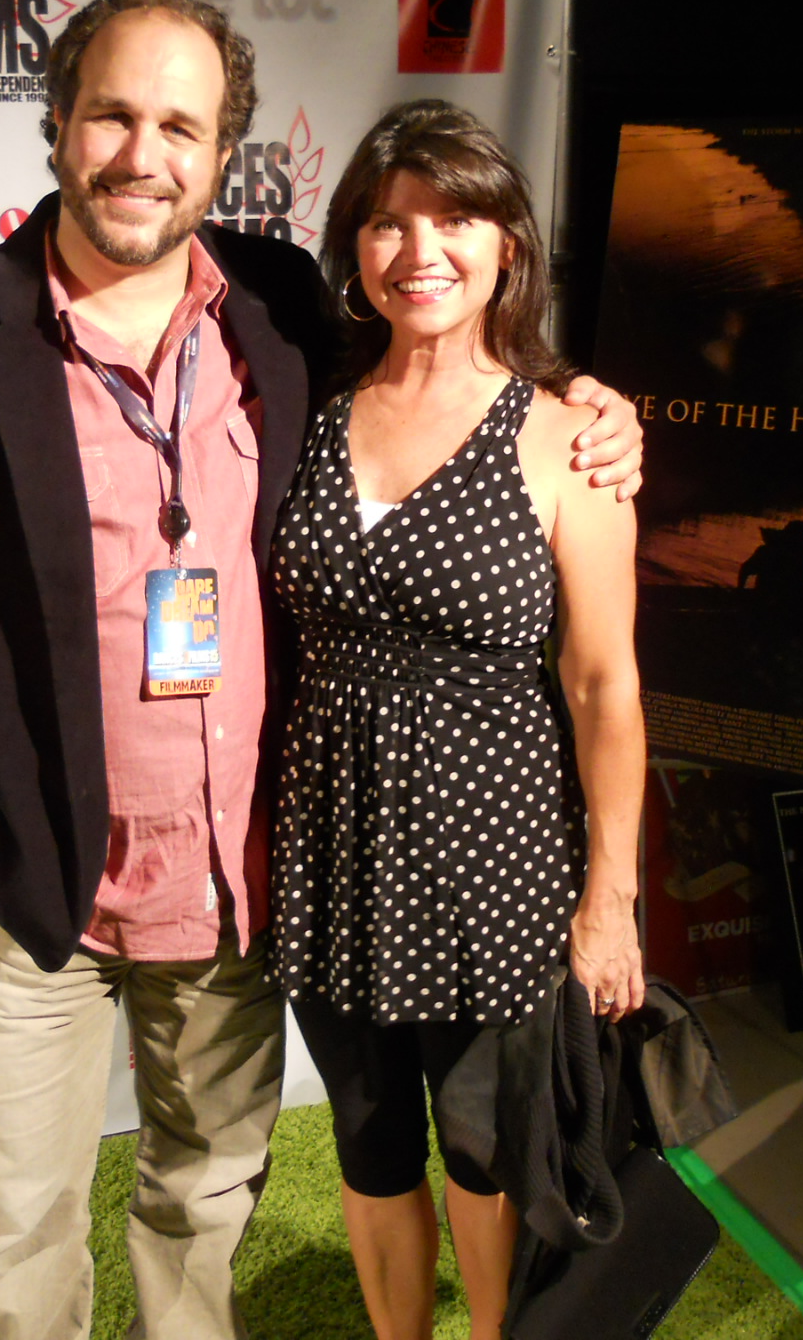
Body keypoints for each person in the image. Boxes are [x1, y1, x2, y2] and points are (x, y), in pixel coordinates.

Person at [0, 0, 643, 1340]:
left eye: (180, 126)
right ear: (61, 126)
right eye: (114, 116)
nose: (143, 155)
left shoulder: (272, 306)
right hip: (42, 883)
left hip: (238, 880)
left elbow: (450, 361)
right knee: (21, 1226)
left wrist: (597, 405)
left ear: (221, 153)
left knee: (206, 1192)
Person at [268, 100, 647, 1340]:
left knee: (484, 1156)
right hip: (330, 857)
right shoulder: (308, 405)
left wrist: (609, 899)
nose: (417, 248)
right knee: (371, 1151)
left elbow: (605, 690)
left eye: (453, 218)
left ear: (506, 247)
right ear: (352, 247)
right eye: (385, 221)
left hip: (493, 866)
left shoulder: (567, 442)